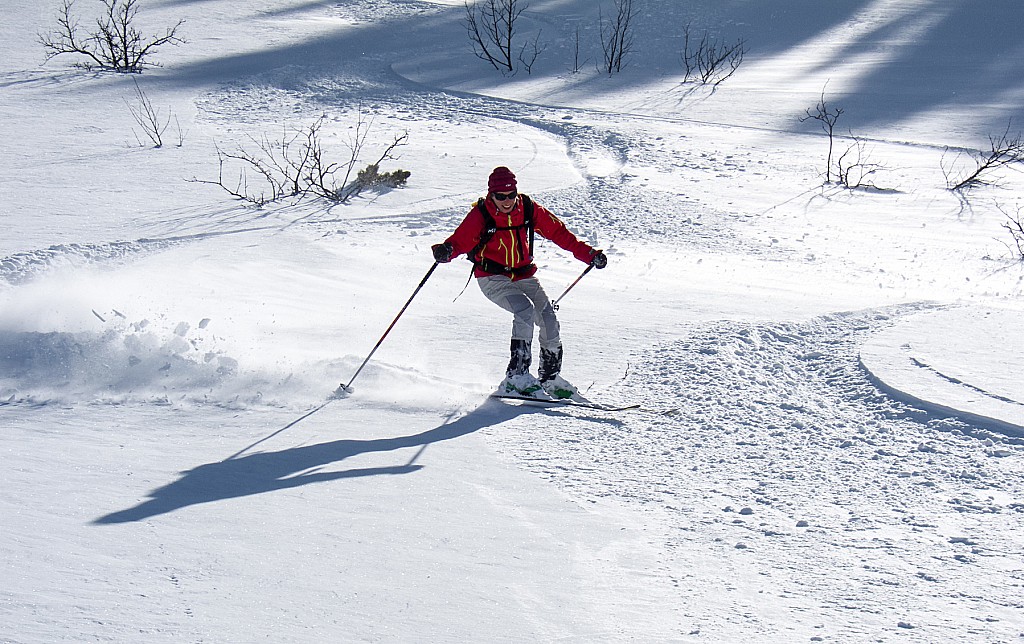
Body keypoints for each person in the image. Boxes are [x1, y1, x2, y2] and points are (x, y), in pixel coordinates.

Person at [431, 166, 607, 399]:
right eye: (500, 196)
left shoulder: (529, 209)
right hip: (492, 278)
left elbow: (560, 234)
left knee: (548, 318)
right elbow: (461, 239)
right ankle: (516, 376)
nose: (507, 201)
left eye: (511, 195)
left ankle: (550, 378)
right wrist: (446, 251)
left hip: (524, 275)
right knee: (524, 311)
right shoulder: (481, 214)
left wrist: (590, 254)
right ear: (490, 195)